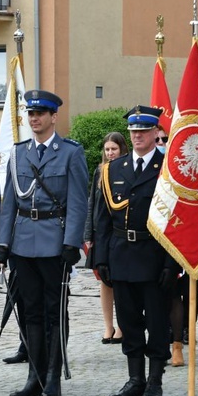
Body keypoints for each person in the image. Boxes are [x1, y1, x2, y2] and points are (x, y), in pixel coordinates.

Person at [0, 89, 89, 396]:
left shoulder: (70, 153)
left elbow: (77, 202)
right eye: (30, 114)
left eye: (40, 114)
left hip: (53, 242)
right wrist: (3, 242)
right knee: (29, 312)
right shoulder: (19, 152)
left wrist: (71, 243)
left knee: (54, 312)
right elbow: (9, 200)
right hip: (22, 242)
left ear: (53, 117)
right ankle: (33, 375)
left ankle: (53, 376)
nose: (34, 119)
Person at [93, 105, 179, 396]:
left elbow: (177, 219)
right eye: (134, 131)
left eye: (144, 130)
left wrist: (172, 262)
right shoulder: (114, 168)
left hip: (155, 255)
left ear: (156, 132)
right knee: (128, 322)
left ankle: (155, 381)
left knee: (156, 322)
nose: (138, 135)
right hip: (122, 254)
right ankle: (135, 379)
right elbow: (103, 218)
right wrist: (100, 258)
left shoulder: (168, 167)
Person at [83, 132, 128, 344]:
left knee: (119, 279)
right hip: (101, 233)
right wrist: (88, 234)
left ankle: (122, 326)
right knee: (104, 280)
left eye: (114, 149)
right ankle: (108, 326)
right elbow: (92, 203)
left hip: (118, 232)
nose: (110, 153)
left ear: (122, 150)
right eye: (107, 149)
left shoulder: (127, 170)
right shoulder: (100, 171)